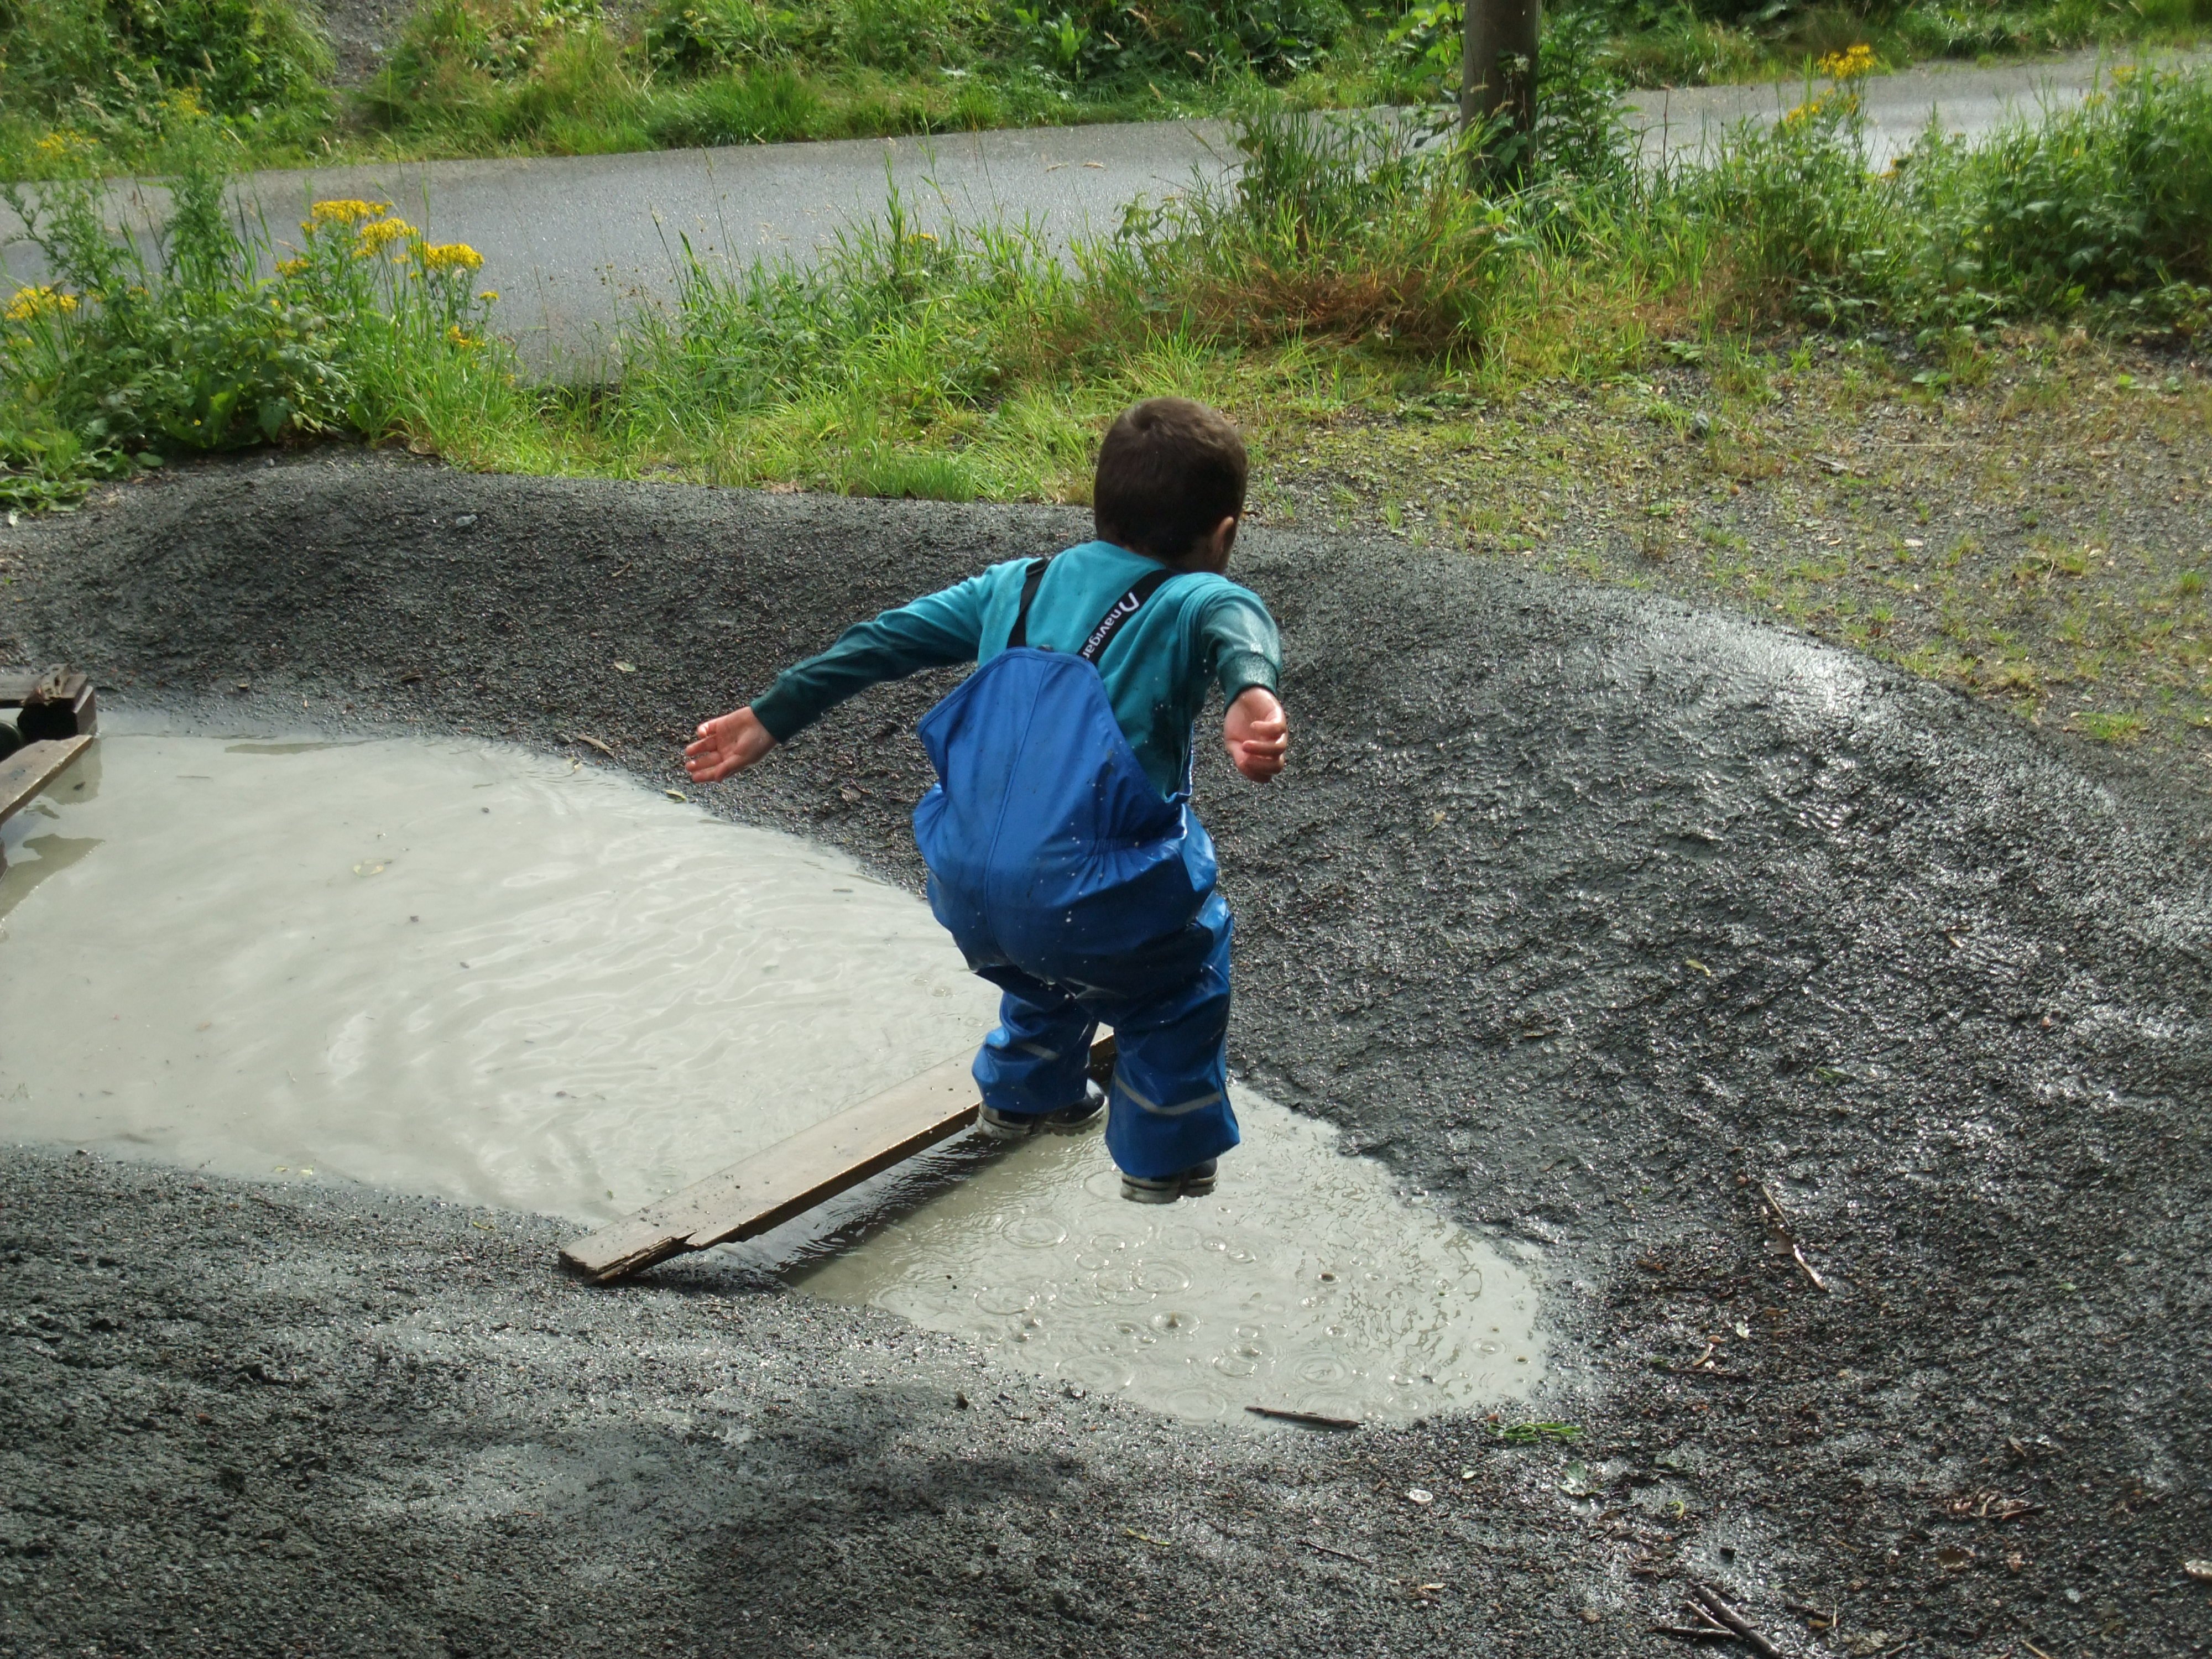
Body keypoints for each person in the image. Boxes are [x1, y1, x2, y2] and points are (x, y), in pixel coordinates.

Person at [684, 398, 1288, 1203]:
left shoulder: (1018, 586)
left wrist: (772, 714)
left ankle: (1021, 1097)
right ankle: (1163, 1156)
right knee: (1181, 972)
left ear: (1098, 505)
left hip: (968, 889)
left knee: (1043, 957)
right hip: (1097, 904)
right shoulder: (1193, 600)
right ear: (1222, 534)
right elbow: (1234, 618)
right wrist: (1252, 691)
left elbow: (882, 640)